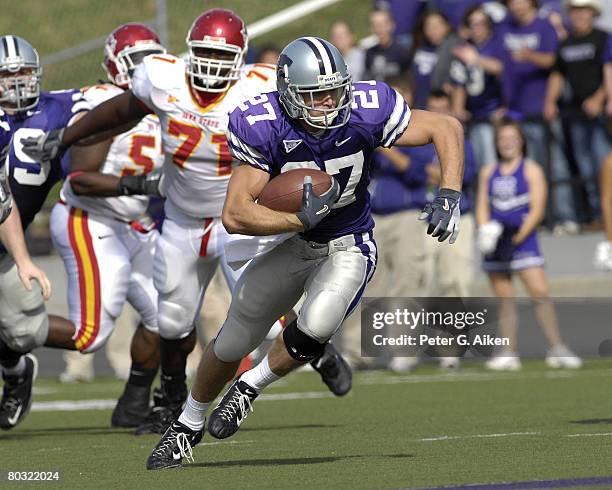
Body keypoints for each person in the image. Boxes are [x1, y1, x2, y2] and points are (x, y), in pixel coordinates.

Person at [21, 9, 353, 436]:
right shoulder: (163, 78)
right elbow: (121, 110)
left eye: (223, 55)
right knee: (173, 321)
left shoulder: (261, 84)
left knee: (264, 310)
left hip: (239, 216)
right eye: (205, 54)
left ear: (241, 57)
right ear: (189, 53)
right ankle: (172, 403)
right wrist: (66, 136)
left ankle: (317, 351)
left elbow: (309, 117)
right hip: (181, 219)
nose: (212, 65)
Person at [146, 36, 465, 469]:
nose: (329, 101)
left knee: (317, 322)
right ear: (289, 93)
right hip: (290, 241)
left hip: (348, 241)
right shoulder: (262, 122)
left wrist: (449, 192)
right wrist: (298, 221)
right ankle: (186, 424)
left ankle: (250, 387)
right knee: (237, 335)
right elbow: (236, 214)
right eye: (316, 94)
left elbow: (446, 127)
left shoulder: (368, 106)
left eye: (335, 89)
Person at [48, 23, 166, 428]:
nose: (146, 71)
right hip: (90, 217)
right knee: (88, 335)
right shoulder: (100, 99)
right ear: (115, 66)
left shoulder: (167, 102)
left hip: (134, 222)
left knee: (169, 316)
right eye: (138, 62)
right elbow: (79, 177)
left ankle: (134, 401)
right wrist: (145, 184)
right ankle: (11, 333)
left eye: (153, 60)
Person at [0, 35, 88, 430]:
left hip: (7, 239)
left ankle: (18, 370)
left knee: (23, 331)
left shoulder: (62, 105)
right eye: (8, 74)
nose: (17, 81)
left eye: (22, 72)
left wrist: (21, 259)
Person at [475, 119, 581, 371]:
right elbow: (482, 205)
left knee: (540, 293)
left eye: (512, 137)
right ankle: (508, 351)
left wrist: (519, 236)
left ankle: (557, 347)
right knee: (505, 300)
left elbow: (537, 209)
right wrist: (485, 231)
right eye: (502, 139)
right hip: (497, 244)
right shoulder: (488, 172)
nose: (507, 143)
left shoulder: (531, 169)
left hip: (523, 242)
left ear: (521, 140)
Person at [501, 0, 578, 230]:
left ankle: (566, 216)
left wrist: (530, 56)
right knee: (528, 168)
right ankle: (539, 216)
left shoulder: (544, 26)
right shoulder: (505, 27)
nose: (517, 5)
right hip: (516, 111)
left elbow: (557, 61)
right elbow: (501, 65)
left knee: (557, 164)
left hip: (542, 109)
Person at [544, 0, 609, 221]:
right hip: (576, 113)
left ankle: (606, 212)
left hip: (601, 114)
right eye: (575, 11)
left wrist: (599, 98)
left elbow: (609, 71)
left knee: (603, 161)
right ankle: (595, 213)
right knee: (583, 164)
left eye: (583, 11)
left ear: (592, 13)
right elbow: (557, 74)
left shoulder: (603, 38)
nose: (579, 16)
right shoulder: (567, 43)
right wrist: (550, 102)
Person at [450, 5, 505, 169]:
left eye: (481, 23)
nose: (477, 27)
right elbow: (459, 81)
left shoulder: (497, 43)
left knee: (491, 161)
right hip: (474, 115)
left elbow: (502, 68)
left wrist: (476, 59)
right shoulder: (465, 47)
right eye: (473, 23)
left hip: (495, 112)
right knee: (475, 163)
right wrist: (458, 109)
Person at [410, 10, 460, 109]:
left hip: (442, 106)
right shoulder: (419, 48)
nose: (433, 29)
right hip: (419, 104)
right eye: (428, 26)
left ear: (447, 26)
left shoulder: (456, 49)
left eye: (437, 25)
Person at [364, 7, 411, 81]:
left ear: (392, 25)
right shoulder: (369, 53)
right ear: (371, 28)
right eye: (375, 25)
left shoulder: (403, 52)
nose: (379, 29)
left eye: (382, 24)